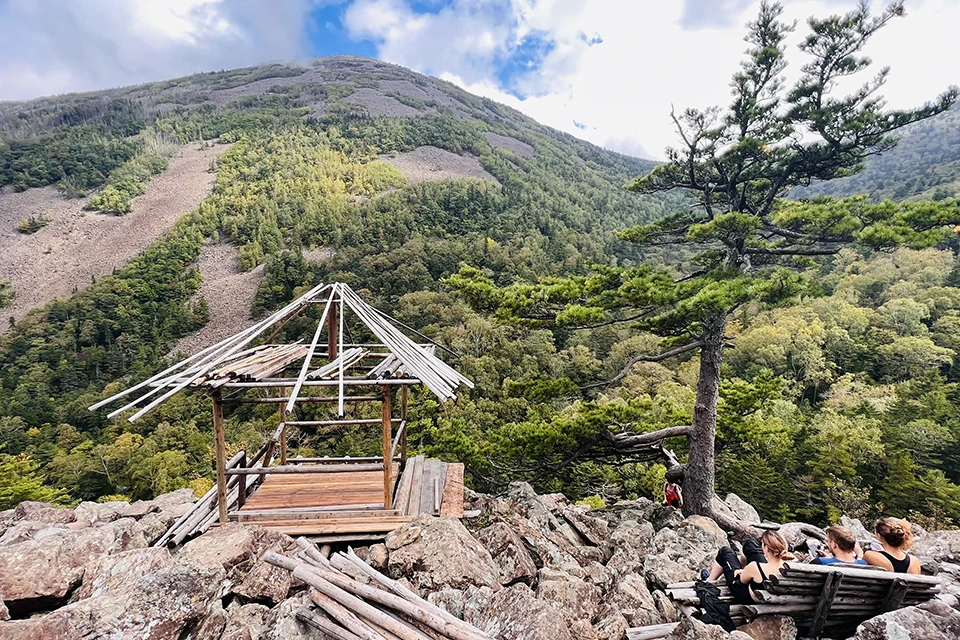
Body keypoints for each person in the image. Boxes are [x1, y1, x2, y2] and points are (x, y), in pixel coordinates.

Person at [707, 530, 795, 604]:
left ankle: (709, 581)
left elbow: (742, 581)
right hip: (765, 586)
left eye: (762, 544)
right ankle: (740, 565)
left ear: (767, 549)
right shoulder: (790, 567)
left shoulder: (754, 567)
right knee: (750, 544)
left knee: (725, 552)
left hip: (744, 595)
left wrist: (745, 571)